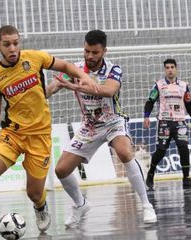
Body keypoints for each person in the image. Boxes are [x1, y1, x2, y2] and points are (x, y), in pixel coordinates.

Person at [0, 25, 98, 239]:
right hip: (12, 134)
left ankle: (40, 206)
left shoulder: (35, 58)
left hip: (40, 136)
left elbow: (65, 66)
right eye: (7, 44)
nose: (12, 48)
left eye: (16, 42)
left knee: (34, 193)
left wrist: (85, 77)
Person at [46, 30, 157, 227]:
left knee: (124, 152)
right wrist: (42, 93)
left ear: (104, 51)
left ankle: (147, 205)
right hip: (89, 126)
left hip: (113, 122)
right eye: (87, 51)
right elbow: (54, 86)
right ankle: (80, 204)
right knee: (61, 169)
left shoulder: (114, 70)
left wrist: (75, 87)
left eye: (95, 52)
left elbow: (109, 90)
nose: (89, 56)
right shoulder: (75, 69)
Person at [143, 58, 191, 190]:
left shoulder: (184, 86)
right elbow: (150, 101)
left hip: (180, 122)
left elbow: (189, 104)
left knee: (184, 148)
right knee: (161, 151)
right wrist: (146, 117)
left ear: (176, 68)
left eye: (172, 67)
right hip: (165, 122)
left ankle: (186, 178)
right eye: (167, 67)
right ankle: (150, 174)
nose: (170, 70)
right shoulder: (159, 85)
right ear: (165, 70)